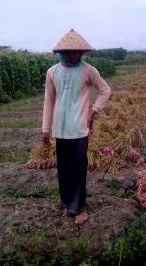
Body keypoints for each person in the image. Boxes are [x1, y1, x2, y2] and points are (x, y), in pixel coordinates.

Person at [41, 29, 111, 225]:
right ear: (64, 52)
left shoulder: (88, 70)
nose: (77, 55)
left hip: (79, 129)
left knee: (78, 168)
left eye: (79, 52)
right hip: (60, 130)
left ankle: (79, 208)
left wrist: (94, 110)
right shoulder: (53, 72)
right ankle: (67, 202)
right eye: (73, 52)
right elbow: (49, 101)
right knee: (63, 169)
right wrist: (46, 129)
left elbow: (106, 90)